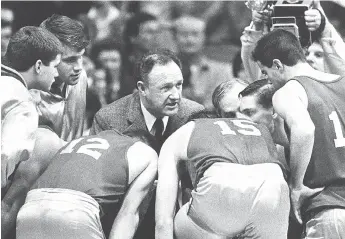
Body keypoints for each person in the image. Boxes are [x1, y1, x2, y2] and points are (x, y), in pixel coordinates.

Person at [91, 49, 203, 239]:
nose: (176, 95)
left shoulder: (194, 115)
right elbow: (100, 186)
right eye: (166, 88)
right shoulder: (109, 119)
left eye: (179, 85)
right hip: (125, 216)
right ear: (142, 88)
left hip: (179, 217)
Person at [252, 28, 345, 238]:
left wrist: (296, 186)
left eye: (265, 72)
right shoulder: (343, 82)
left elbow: (305, 129)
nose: (267, 80)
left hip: (330, 209)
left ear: (277, 64)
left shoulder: (289, 91)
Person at [155, 114, 290, 239]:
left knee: (180, 219)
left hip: (222, 181)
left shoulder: (184, 132)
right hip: (274, 185)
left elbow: (163, 221)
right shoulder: (255, 125)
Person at [16, 130, 158, 239]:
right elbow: (128, 213)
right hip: (76, 211)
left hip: (29, 209)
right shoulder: (147, 153)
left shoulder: (78, 141)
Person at [1, 26, 62, 238]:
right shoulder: (21, 102)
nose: (56, 73)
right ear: (38, 66)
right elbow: (6, 158)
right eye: (55, 66)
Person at [30, 14, 90, 142]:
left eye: (81, 57)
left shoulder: (81, 77)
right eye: (70, 60)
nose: (79, 67)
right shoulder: (26, 91)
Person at [174, 15, 233, 110]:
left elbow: (223, 102)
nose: (189, 40)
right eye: (184, 35)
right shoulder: (166, 69)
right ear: (175, 38)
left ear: (204, 37)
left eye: (195, 34)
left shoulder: (221, 70)